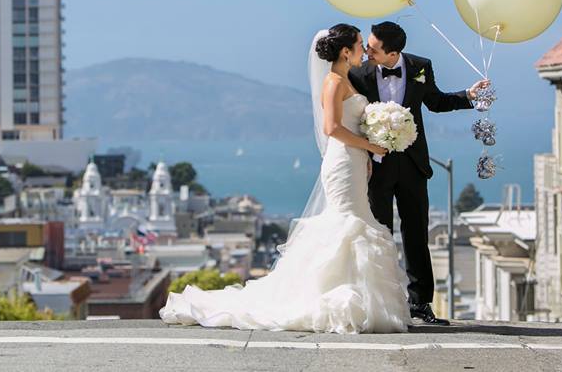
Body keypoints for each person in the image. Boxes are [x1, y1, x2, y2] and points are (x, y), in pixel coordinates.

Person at [159, 24, 411, 333]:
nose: (364, 50)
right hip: (343, 163)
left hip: (354, 162)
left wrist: (367, 153)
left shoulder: (345, 79)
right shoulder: (334, 82)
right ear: (346, 52)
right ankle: (335, 297)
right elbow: (331, 128)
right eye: (360, 44)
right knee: (347, 223)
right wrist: (370, 146)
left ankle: (355, 296)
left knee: (354, 222)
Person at [349, 21, 489, 325]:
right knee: (379, 234)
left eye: (373, 48)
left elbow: (436, 102)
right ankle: (381, 302)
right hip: (376, 165)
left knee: (416, 234)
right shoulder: (358, 73)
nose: (367, 52)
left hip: (413, 165)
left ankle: (420, 303)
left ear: (393, 53)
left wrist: (468, 95)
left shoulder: (420, 66)